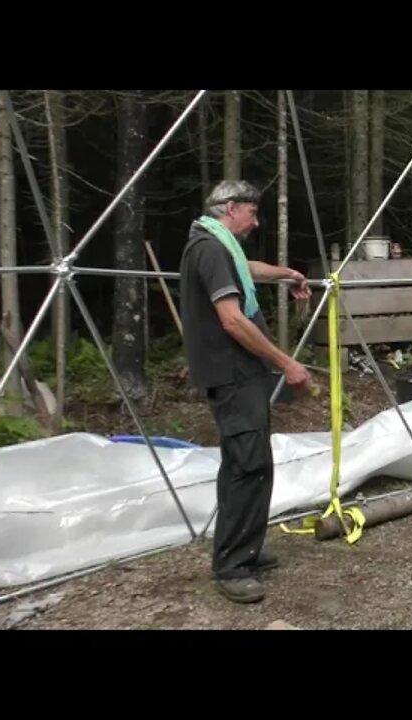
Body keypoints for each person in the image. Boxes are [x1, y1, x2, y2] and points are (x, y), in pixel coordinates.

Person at [178, 180, 312, 604]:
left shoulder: (218, 246)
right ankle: (231, 565)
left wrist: (288, 273)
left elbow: (247, 268)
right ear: (231, 208)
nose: (255, 223)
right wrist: (285, 362)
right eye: (252, 214)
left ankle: (246, 549)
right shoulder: (210, 249)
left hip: (241, 374)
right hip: (233, 373)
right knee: (245, 465)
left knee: (251, 462)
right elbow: (233, 320)